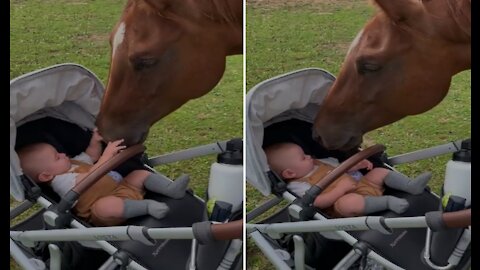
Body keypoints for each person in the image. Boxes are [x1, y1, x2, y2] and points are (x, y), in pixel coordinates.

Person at [17, 128, 190, 226]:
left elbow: (91, 156)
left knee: (139, 174)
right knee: (105, 207)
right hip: (101, 207)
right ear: (47, 175)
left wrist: (94, 141)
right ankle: (148, 206)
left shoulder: (73, 163)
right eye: (57, 157)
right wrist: (106, 157)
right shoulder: (60, 182)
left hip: (122, 187)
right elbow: (87, 178)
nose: (63, 154)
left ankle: (171, 189)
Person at [264, 142, 432, 218]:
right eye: (303, 158)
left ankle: (411, 186)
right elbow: (317, 202)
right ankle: (388, 202)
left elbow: (343, 167)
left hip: (363, 184)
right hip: (341, 202)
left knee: (379, 172)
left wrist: (356, 166)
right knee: (348, 203)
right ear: (290, 173)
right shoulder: (298, 185)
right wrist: (340, 190)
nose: (309, 156)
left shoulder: (323, 162)